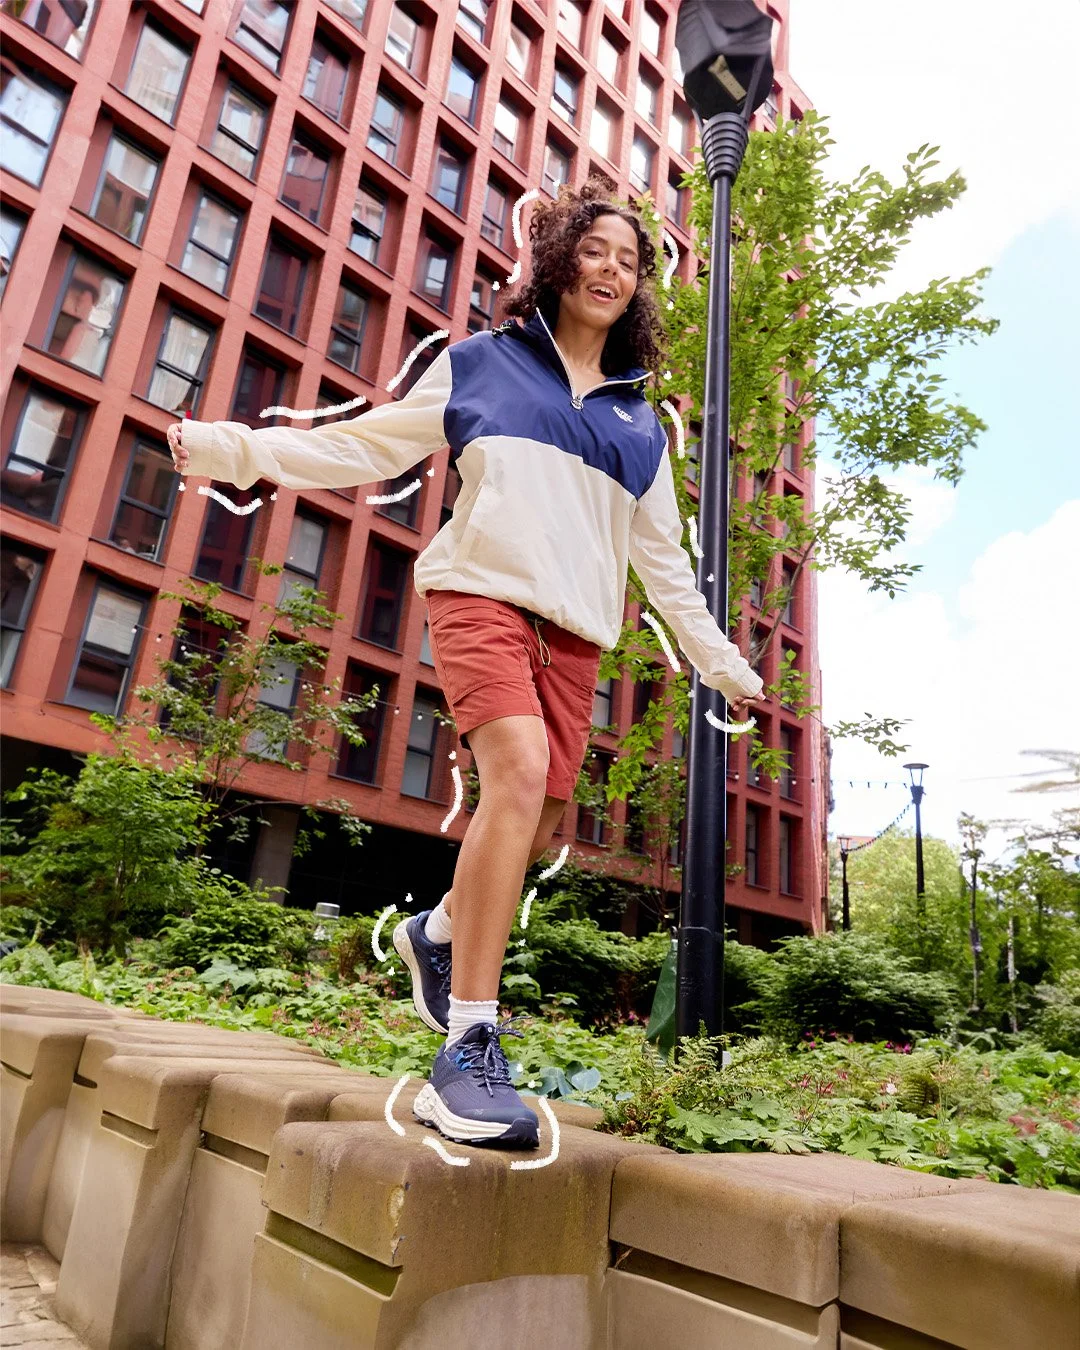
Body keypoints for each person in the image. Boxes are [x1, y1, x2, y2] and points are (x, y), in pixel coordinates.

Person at [167, 178, 766, 1150]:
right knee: (518, 776)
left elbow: (664, 569)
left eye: (631, 259)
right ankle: (470, 1049)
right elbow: (366, 444)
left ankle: (437, 932)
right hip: (480, 596)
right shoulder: (481, 365)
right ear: (561, 258)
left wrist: (724, 664)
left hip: (573, 635)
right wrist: (230, 450)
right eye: (597, 248)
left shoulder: (639, 427)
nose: (612, 268)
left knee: (547, 814)